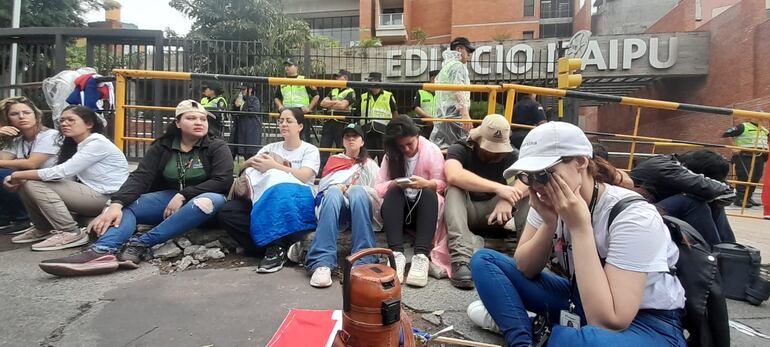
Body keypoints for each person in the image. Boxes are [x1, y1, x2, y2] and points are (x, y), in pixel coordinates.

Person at [469, 122, 686, 346]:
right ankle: (523, 341)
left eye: (544, 174)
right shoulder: (547, 199)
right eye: (528, 177)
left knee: (576, 341)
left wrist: (580, 228)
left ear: (581, 162)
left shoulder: (633, 216)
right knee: (484, 261)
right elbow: (525, 267)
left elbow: (609, 320)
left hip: (646, 321)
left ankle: (545, 330)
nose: (536, 186)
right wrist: (549, 223)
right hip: (579, 297)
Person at [37, 100, 233, 276]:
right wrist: (116, 203)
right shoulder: (162, 147)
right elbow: (141, 177)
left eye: (203, 119)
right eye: (191, 118)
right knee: (127, 207)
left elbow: (222, 180)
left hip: (206, 201)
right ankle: (102, 251)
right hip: (169, 198)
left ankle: (140, 244)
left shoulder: (217, 146)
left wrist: (184, 194)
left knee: (207, 201)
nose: (199, 122)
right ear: (178, 123)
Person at [5, 106, 129, 251]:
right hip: (92, 194)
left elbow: (62, 172)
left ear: (89, 124)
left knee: (33, 183)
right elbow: (67, 177)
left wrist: (17, 175)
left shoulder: (97, 142)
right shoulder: (75, 144)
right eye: (62, 120)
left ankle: (70, 232)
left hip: (109, 198)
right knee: (29, 182)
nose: (64, 124)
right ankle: (43, 228)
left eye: (71, 120)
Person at [219, 107, 320, 274]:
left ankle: (274, 249)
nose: (284, 124)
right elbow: (249, 168)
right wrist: (249, 162)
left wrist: (274, 166)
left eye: (289, 121)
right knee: (227, 213)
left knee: (280, 195)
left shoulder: (310, 149)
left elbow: (304, 176)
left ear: (300, 126)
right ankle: (276, 247)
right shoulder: (270, 147)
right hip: (266, 197)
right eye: (281, 121)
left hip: (295, 198)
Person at [443, 114, 530, 289]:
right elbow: (453, 174)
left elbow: (529, 180)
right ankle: (461, 260)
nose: (495, 153)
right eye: (491, 148)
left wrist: (508, 198)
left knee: (528, 195)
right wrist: (498, 188)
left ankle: (526, 259)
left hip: (496, 213)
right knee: (453, 189)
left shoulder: (512, 154)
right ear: (478, 139)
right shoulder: (460, 148)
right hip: (465, 212)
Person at [305, 123, 381, 288]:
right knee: (332, 192)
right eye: (347, 136)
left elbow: (378, 193)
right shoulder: (334, 160)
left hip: (360, 209)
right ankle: (321, 262)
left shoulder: (370, 165)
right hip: (337, 211)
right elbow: (322, 190)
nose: (351, 139)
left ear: (362, 142)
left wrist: (356, 188)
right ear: (343, 141)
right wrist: (338, 188)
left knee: (358, 192)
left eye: (355, 136)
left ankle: (364, 259)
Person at [376, 115, 446, 287]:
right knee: (393, 192)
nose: (406, 149)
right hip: (398, 210)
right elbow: (377, 186)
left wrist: (427, 184)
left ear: (417, 137)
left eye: (410, 144)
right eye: (401, 146)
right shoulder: (390, 156)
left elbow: (443, 183)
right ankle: (396, 254)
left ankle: (421, 256)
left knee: (429, 192)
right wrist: (394, 183)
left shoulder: (431, 151)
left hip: (424, 210)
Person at [630, 150, 736, 246]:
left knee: (714, 201)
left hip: (654, 209)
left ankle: (731, 250)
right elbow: (719, 189)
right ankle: (715, 254)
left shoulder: (680, 166)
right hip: (637, 212)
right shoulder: (666, 167)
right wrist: (715, 190)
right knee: (691, 202)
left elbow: (725, 192)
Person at [0, 96, 60, 234]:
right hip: (31, 182)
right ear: (7, 120)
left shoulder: (50, 135)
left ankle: (24, 219)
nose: (21, 117)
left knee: (6, 175)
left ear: (36, 115)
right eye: (14, 114)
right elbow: (3, 160)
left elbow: (31, 164)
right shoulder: (17, 140)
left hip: (53, 183)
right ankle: (5, 217)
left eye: (26, 112)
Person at [430, 37, 475, 149]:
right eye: (467, 51)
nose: (469, 55)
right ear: (459, 49)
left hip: (444, 114)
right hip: (454, 113)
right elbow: (458, 90)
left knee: (443, 147)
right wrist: (465, 115)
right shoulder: (457, 65)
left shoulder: (446, 66)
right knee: (460, 148)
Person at [722, 121, 768, 207]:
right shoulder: (743, 126)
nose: (761, 119)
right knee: (745, 176)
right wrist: (733, 148)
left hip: (759, 157)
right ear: (751, 117)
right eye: (759, 116)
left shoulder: (763, 130)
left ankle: (748, 197)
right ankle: (740, 199)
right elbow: (726, 135)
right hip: (745, 156)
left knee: (755, 178)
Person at [318, 69, 356, 171]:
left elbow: (343, 105)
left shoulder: (350, 92)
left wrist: (330, 103)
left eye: (339, 77)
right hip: (328, 122)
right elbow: (322, 103)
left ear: (345, 78)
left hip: (341, 124)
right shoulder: (333, 90)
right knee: (324, 148)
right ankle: (322, 171)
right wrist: (337, 103)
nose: (336, 79)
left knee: (340, 149)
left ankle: (339, 170)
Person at [274, 58, 320, 142]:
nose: (287, 67)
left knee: (303, 138)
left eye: (289, 65)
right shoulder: (282, 81)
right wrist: (280, 106)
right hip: (287, 111)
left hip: (301, 112)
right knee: (287, 136)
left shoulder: (304, 80)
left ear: (296, 67)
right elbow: (276, 97)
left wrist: (309, 108)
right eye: (286, 66)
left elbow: (316, 95)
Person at [360, 72, 398, 160]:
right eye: (368, 81)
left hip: (383, 131)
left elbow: (395, 113)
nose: (369, 83)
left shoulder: (388, 96)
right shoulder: (363, 96)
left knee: (383, 158)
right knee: (366, 159)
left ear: (379, 81)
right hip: (367, 131)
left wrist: (394, 129)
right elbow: (358, 113)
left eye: (371, 80)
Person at [230, 83, 262, 159]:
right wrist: (236, 106)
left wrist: (241, 106)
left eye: (243, 89)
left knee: (250, 153)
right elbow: (233, 113)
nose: (241, 92)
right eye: (240, 90)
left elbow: (253, 111)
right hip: (239, 130)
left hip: (250, 131)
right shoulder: (237, 99)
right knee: (233, 150)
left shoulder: (254, 99)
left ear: (250, 90)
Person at [412, 69, 440, 138]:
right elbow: (416, 107)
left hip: (438, 125)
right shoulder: (421, 92)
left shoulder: (443, 93)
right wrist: (428, 118)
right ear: (432, 79)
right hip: (423, 125)